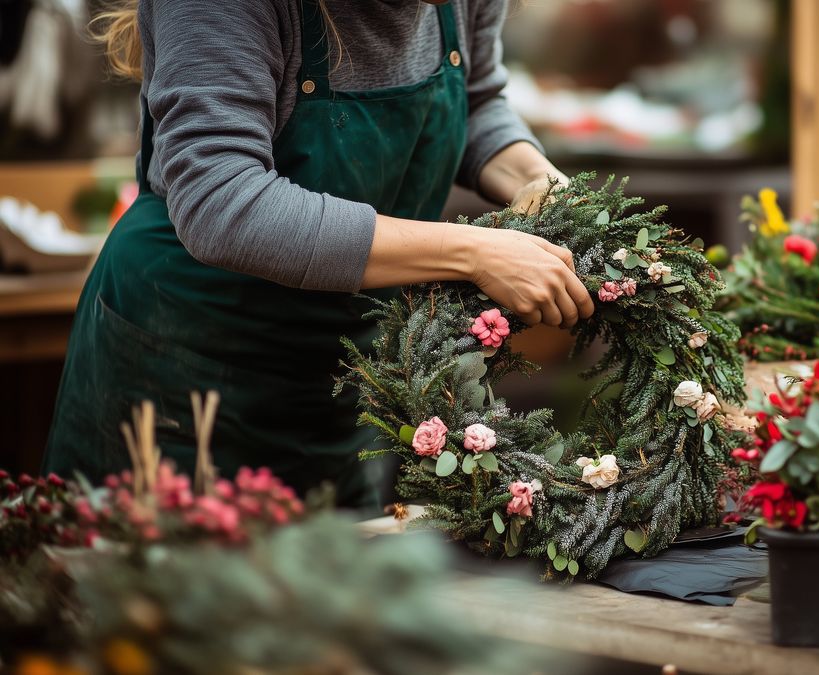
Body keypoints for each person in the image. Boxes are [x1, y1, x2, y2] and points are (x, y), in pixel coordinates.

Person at [43, 0, 594, 507]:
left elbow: (475, 101)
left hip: (343, 376)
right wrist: (473, 252)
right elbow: (222, 200)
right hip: (184, 373)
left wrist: (546, 186)